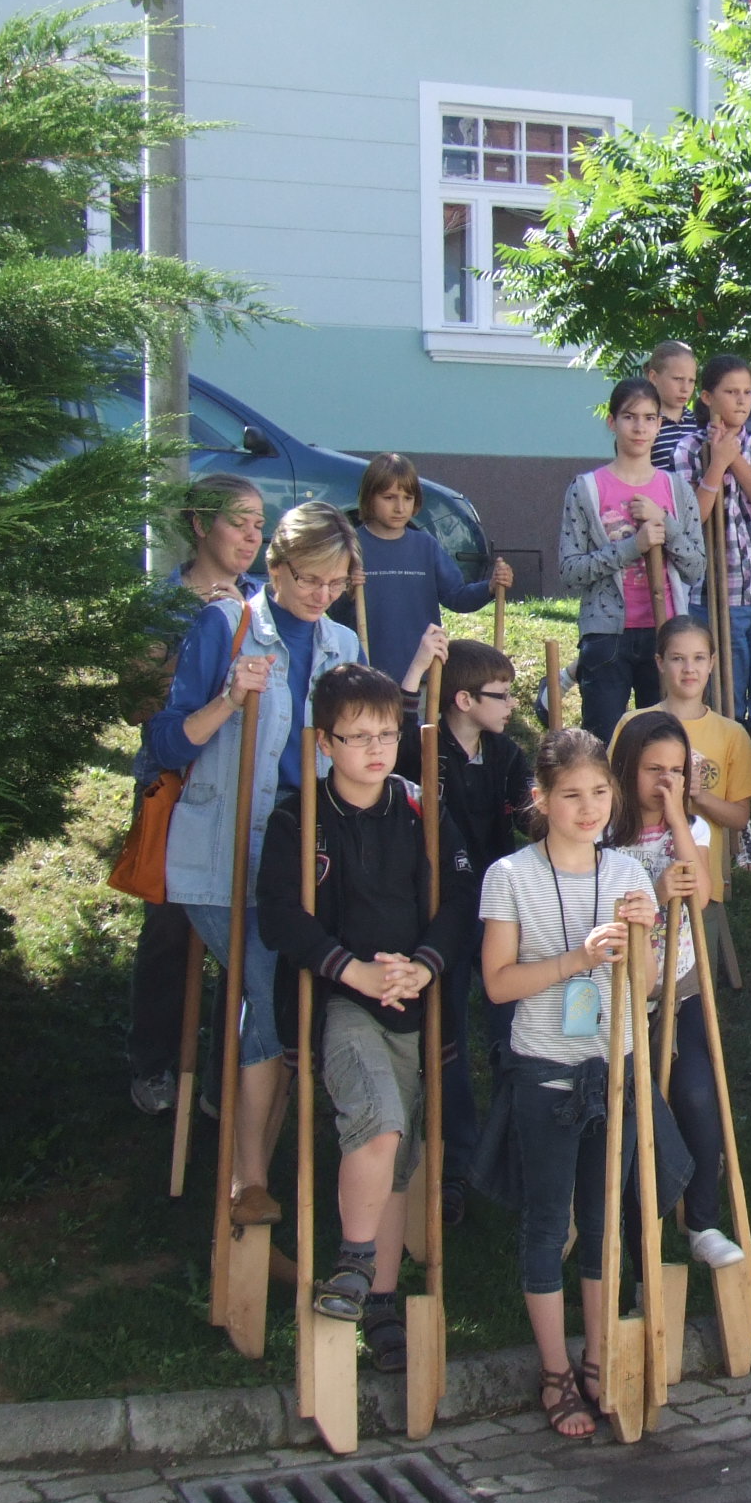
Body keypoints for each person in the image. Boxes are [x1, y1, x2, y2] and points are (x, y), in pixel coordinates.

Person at [146, 498, 365, 1229]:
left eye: (334, 582)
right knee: (267, 987)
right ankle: (247, 1182)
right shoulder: (226, 625)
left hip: (300, 856)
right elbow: (164, 743)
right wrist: (228, 699)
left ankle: (252, 1177)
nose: (321, 594)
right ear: (276, 566)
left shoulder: (341, 643)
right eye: (308, 579)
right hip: (220, 853)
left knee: (278, 997)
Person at [257, 664, 475, 1374]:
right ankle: (352, 1261)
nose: (376, 749)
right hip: (342, 1003)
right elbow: (279, 916)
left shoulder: (420, 807)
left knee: (400, 1152)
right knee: (377, 1122)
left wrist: (426, 966)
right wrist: (349, 969)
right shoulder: (298, 819)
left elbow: (459, 900)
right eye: (358, 737)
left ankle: (378, 1302)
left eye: (386, 734)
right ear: (324, 743)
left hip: (414, 1001)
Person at [479, 728, 661, 1441]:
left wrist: (645, 936)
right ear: (542, 799)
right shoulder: (510, 876)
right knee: (548, 1221)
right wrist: (574, 960)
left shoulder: (628, 872)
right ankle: (554, 1370)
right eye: (572, 795)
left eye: (600, 793)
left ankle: (597, 1356)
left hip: (614, 1071)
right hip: (546, 1074)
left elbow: (645, 988)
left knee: (605, 1222)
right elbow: (498, 984)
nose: (589, 809)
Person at [128, 472, 265, 1118]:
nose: (251, 536)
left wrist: (241, 620)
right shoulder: (162, 602)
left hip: (244, 784)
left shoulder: (262, 600)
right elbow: (136, 704)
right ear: (199, 524)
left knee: (240, 932)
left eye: (259, 525)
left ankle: (220, 1079)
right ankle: (154, 1065)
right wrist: (202, 640)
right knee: (169, 929)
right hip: (176, 787)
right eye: (238, 522)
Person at [393, 635, 533, 1224]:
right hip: (439, 910)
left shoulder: (507, 753)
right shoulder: (423, 747)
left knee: (515, 1031)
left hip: (499, 909)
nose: (512, 705)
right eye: (501, 695)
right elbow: (393, 730)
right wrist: (416, 668)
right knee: (445, 1036)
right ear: (463, 700)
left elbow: (531, 814)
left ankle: (512, 1156)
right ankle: (453, 1166)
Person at [603, 712, 746, 1270]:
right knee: (636, 1109)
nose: (666, 781)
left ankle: (702, 1222)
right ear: (626, 768)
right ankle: (636, 1227)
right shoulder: (602, 833)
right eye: (653, 770)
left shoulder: (691, 830)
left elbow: (703, 895)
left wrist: (679, 823)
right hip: (619, 995)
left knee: (697, 1095)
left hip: (679, 988)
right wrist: (657, 892)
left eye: (677, 770)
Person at [561, 377, 707, 734]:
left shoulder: (677, 490)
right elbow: (570, 571)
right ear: (612, 422)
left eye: (649, 418)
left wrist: (666, 524)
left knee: (661, 738)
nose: (640, 427)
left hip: (665, 631)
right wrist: (632, 547)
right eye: (630, 417)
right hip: (606, 634)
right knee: (603, 738)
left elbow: (695, 567)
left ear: (659, 424)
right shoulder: (586, 489)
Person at [678, 354, 751, 752]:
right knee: (723, 704)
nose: (742, 400)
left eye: (747, 391)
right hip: (716, 594)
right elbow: (692, 519)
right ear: (707, 397)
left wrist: (736, 461)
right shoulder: (688, 449)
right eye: (731, 392)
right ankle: (727, 771)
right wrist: (716, 467)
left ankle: (742, 764)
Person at [624, 615, 751, 875]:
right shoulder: (633, 724)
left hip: (702, 882)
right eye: (678, 658)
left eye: (699, 658)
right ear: (660, 662)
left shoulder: (731, 734)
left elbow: (739, 818)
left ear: (712, 662)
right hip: (637, 880)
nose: (689, 668)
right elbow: (614, 796)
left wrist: (699, 795)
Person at [342, 452, 509, 678]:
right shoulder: (353, 547)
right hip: (368, 674)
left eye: (408, 498)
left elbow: (456, 596)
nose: (400, 507)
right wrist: (347, 589)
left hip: (423, 672)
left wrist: (489, 587)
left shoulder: (425, 546)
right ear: (369, 498)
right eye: (389, 498)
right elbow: (332, 608)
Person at [645, 340, 698, 473]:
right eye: (678, 379)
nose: (685, 388)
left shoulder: (699, 423)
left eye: (691, 381)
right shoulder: (644, 424)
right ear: (654, 377)